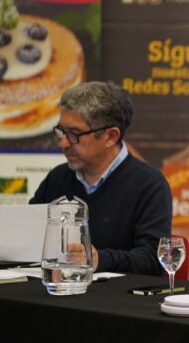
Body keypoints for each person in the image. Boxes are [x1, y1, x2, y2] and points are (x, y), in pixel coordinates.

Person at [31, 81, 172, 276]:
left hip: (120, 301)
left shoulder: (149, 184)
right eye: (61, 131)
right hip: (59, 293)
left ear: (110, 137)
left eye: (74, 134)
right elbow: (28, 235)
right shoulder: (58, 177)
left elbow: (154, 258)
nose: (63, 143)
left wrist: (101, 259)